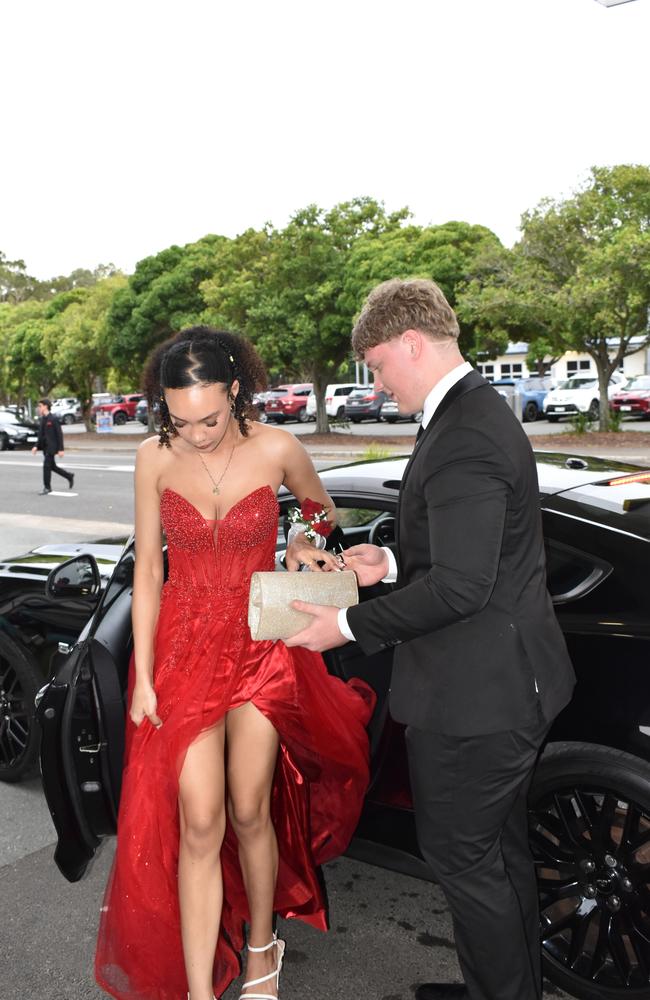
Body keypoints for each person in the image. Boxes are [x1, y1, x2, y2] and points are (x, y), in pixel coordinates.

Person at [285, 279, 576, 1000]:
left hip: (478, 699)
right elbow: (473, 557)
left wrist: (345, 623)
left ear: (411, 344)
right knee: (496, 858)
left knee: (465, 862)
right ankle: (504, 987)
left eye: (378, 365)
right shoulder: (474, 412)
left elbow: (461, 589)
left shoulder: (465, 432)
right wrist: (386, 563)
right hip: (501, 685)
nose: (377, 382)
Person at [94, 327, 374, 1000]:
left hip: (259, 641)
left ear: (237, 391)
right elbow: (151, 571)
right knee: (198, 820)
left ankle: (259, 946)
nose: (196, 433)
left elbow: (323, 514)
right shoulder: (152, 459)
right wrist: (148, 678)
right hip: (183, 650)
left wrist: (306, 543)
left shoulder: (277, 446)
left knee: (250, 810)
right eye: (179, 419)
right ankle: (196, 990)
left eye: (210, 418)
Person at [31, 398, 74, 494]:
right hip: (45, 447)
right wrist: (36, 446)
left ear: (46, 406)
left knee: (46, 466)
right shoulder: (42, 419)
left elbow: (59, 434)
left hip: (52, 447)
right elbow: (40, 435)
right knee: (52, 466)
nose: (39, 408)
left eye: (40, 406)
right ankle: (69, 476)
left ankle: (47, 487)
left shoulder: (53, 419)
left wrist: (61, 449)